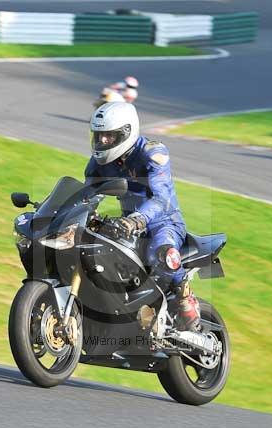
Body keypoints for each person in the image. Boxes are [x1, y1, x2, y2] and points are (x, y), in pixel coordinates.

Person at [84, 102, 200, 331]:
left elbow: (162, 197)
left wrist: (138, 219)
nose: (102, 142)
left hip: (164, 222)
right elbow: (86, 196)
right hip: (127, 224)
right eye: (99, 136)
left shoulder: (152, 153)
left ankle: (184, 294)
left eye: (108, 137)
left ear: (126, 132)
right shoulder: (99, 163)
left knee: (160, 251)